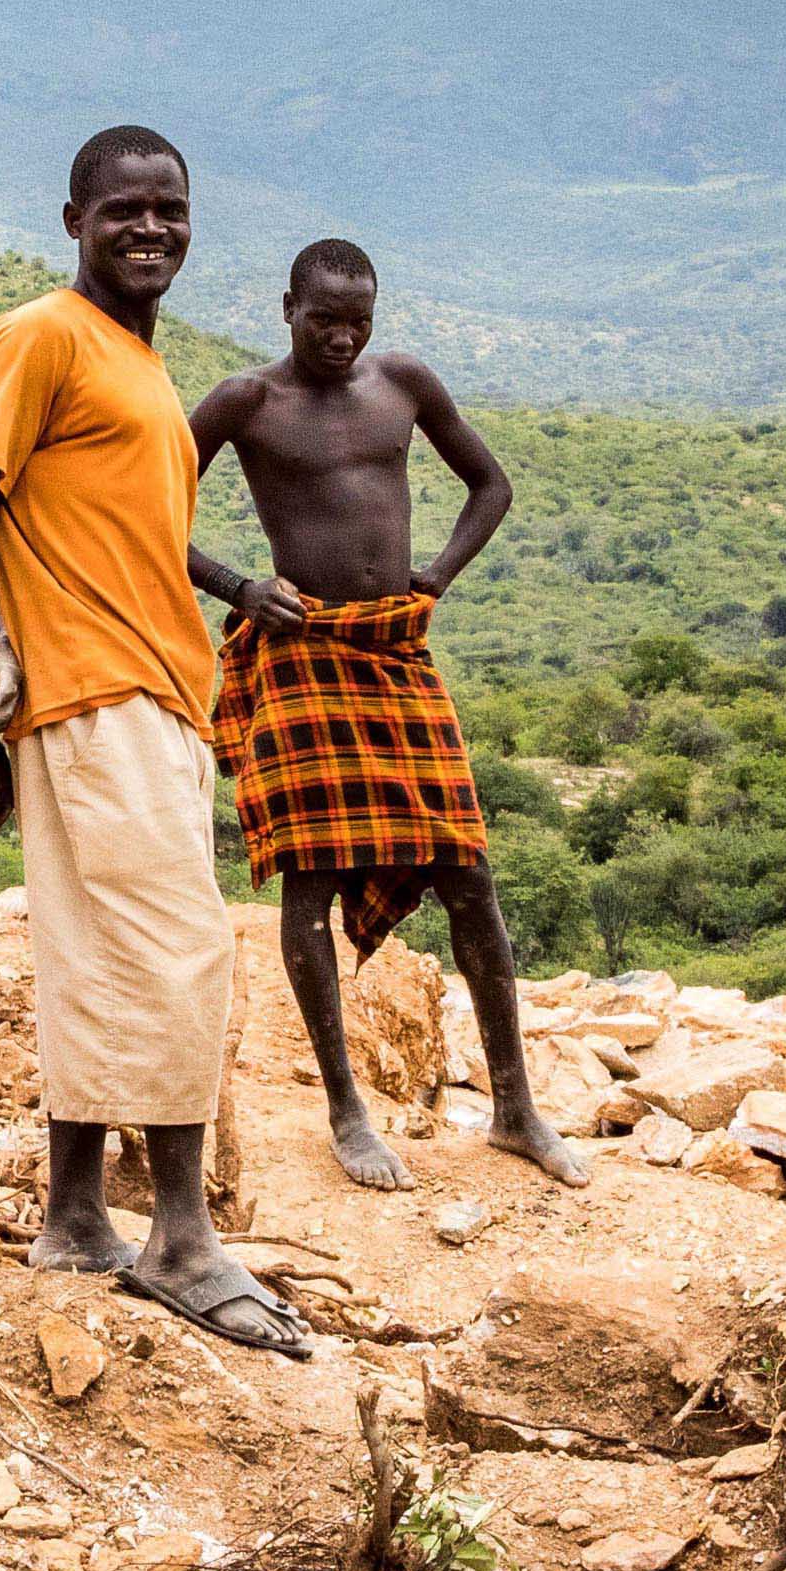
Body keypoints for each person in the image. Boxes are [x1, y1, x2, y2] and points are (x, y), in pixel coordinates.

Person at [0, 125, 309, 1356]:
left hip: (146, 694)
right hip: (98, 697)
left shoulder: (134, 360)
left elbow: (123, 531)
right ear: (73, 215)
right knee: (180, 955)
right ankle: (181, 1241)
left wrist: (233, 586)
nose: (151, 229)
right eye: (125, 209)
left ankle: (76, 1217)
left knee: (92, 955)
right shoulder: (39, 334)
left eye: (170, 210)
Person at [192, 239, 582, 1194]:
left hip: (397, 651)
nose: (342, 334)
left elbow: (492, 485)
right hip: (301, 655)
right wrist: (238, 588)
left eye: (358, 318)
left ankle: (516, 1109)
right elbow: (145, 507)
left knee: (469, 871)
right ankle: (346, 1111)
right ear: (287, 305)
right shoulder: (247, 402)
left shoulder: (404, 383)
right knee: (308, 886)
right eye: (324, 316)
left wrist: (438, 575)